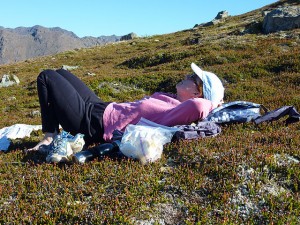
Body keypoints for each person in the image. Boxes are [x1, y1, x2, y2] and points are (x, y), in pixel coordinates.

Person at [29, 62, 225, 155]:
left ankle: (50, 136)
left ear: (197, 93)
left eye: (193, 78)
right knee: (61, 73)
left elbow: (201, 106)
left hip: (91, 123)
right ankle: (52, 132)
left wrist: (214, 103)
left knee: (46, 76)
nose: (188, 76)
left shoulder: (186, 109)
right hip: (102, 108)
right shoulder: (174, 100)